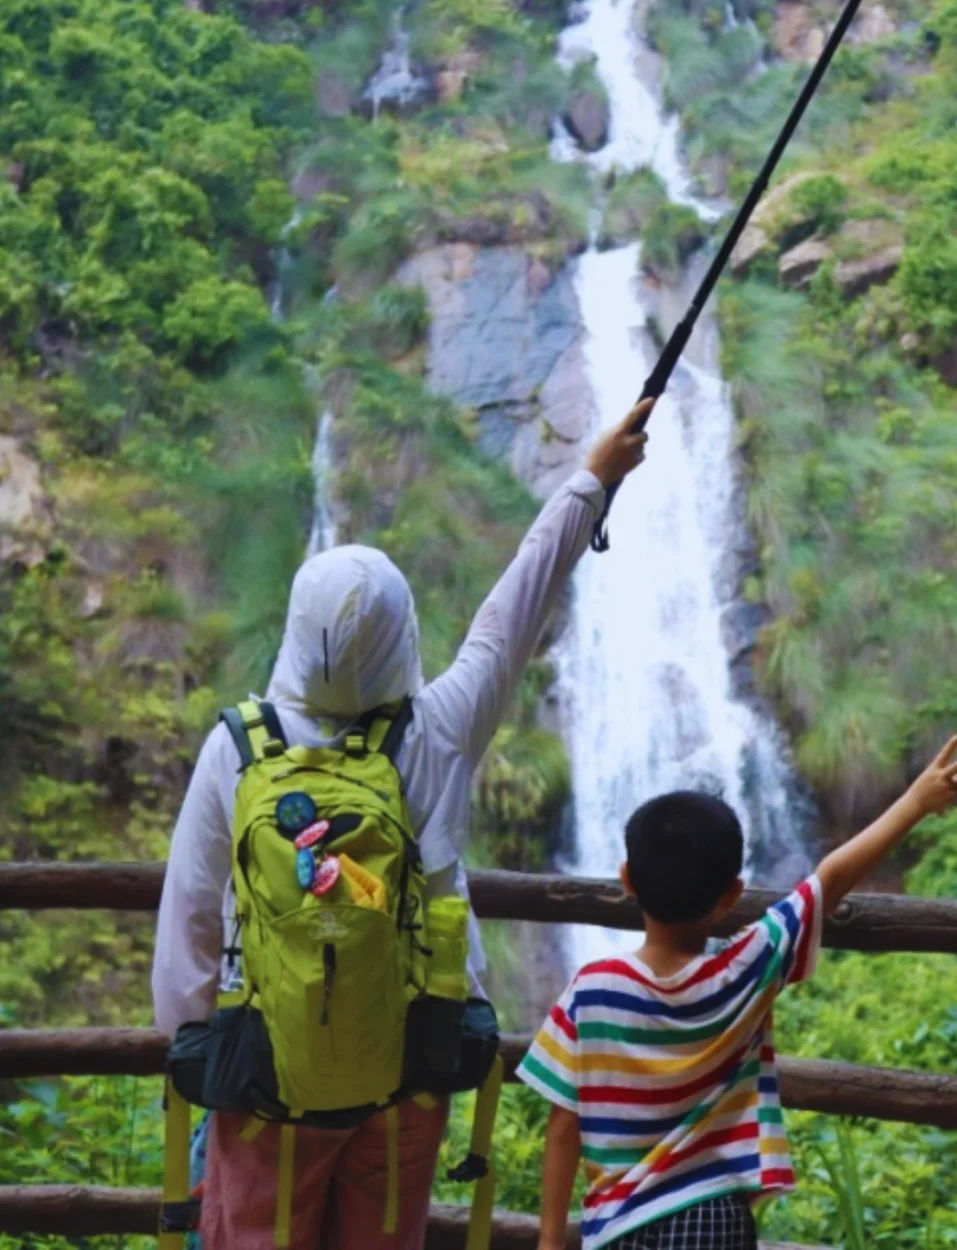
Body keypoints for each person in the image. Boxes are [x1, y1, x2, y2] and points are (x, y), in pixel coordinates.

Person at [151, 397, 654, 1250]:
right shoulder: (439, 729)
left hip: (267, 1078)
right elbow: (514, 608)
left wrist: (207, 1048)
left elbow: (191, 923)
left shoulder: (237, 748)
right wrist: (592, 481)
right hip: (407, 1076)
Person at [521, 736, 957, 1250]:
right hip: (715, 1217)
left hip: (618, 1227)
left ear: (627, 879)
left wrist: (547, 1242)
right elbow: (828, 880)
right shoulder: (748, 967)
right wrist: (915, 802)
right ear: (732, 896)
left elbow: (563, 1125)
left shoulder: (592, 989)